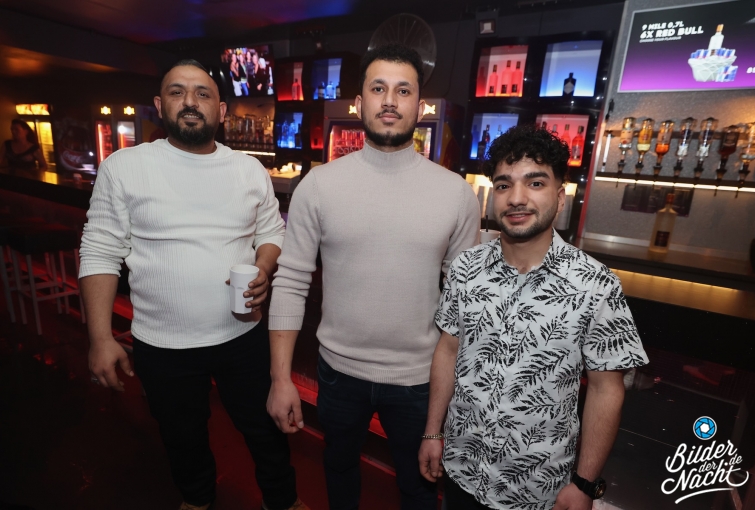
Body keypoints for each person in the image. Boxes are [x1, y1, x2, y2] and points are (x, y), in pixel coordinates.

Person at [79, 59, 307, 510]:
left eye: (202, 93)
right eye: (177, 91)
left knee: (265, 430)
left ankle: (283, 501)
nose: (190, 101)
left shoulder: (248, 170)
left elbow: (272, 232)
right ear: (159, 104)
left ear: (220, 111)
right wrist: (100, 337)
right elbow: (100, 249)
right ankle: (198, 500)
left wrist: (264, 266)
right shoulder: (125, 167)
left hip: (242, 335)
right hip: (162, 344)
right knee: (181, 436)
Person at [266, 43, 480, 510]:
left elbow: (465, 302)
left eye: (403, 90)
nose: (390, 100)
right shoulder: (319, 185)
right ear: (359, 103)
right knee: (339, 472)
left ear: (420, 106)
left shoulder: (455, 194)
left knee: (418, 488)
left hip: (420, 378)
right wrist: (280, 378)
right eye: (379, 88)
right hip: (339, 372)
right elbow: (290, 282)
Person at [419, 124, 649, 510]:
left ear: (560, 196)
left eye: (535, 183)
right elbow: (448, 350)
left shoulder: (596, 284)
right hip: (462, 470)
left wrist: (585, 484)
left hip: (538, 490)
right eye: (504, 185)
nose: (517, 198)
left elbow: (606, 390)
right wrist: (432, 433)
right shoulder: (465, 268)